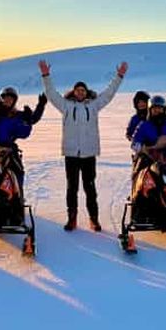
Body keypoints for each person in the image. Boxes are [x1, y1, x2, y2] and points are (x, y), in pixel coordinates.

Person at [40, 59, 127, 232]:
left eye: (83, 90)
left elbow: (109, 94)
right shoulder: (65, 106)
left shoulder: (94, 105)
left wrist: (119, 76)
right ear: (74, 92)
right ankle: (72, 218)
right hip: (71, 154)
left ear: (86, 92)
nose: (80, 92)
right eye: (77, 90)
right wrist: (45, 75)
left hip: (89, 154)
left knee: (90, 187)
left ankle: (93, 219)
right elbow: (51, 94)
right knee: (71, 188)